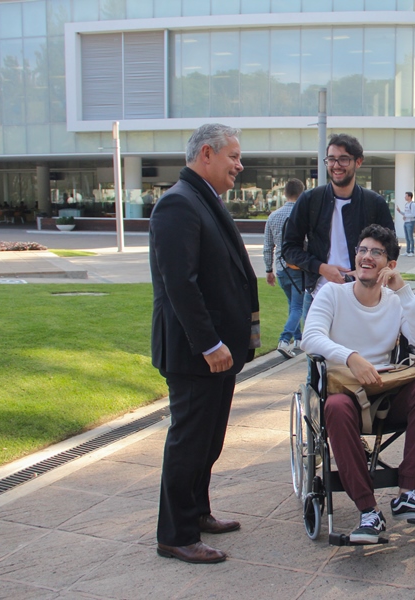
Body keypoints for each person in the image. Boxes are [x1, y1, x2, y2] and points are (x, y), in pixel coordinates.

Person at [149, 123, 260, 564]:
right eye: (234, 156)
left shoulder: (203, 199)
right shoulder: (178, 203)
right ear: (207, 154)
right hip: (197, 354)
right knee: (190, 442)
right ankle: (175, 534)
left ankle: (197, 513)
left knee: (209, 442)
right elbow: (181, 285)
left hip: (218, 354)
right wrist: (210, 343)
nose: (240, 165)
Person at [301, 224, 415, 544]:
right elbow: (309, 338)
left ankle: (409, 492)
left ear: (390, 265)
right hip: (346, 394)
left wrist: (404, 291)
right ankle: (368, 511)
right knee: (335, 408)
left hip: (387, 394)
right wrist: (350, 356)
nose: (366, 257)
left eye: (376, 253)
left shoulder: (396, 301)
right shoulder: (333, 293)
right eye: (362, 250)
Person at [282, 133, 395, 324]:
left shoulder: (374, 203)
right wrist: (321, 268)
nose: (336, 165)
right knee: (317, 352)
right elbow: (289, 249)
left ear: (358, 162)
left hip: (364, 297)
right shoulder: (310, 200)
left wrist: (364, 271)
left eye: (343, 159)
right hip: (318, 296)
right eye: (331, 159)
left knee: (362, 353)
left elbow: (391, 250)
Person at [264, 179, 306, 359]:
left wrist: (268, 269)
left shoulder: (273, 216)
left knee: (292, 304)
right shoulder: (303, 215)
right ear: (301, 193)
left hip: (281, 268)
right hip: (298, 266)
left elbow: (268, 246)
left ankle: (298, 339)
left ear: (285, 193)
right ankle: (284, 339)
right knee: (298, 306)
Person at [396, 191, 415, 257]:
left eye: (406, 196)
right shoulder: (406, 204)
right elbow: (406, 214)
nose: (405, 197)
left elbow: (413, 214)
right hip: (406, 222)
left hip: (410, 222)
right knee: (407, 237)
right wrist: (400, 212)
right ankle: (407, 250)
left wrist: (405, 215)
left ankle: (412, 251)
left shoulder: (413, 204)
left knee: (410, 237)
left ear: (409, 197)